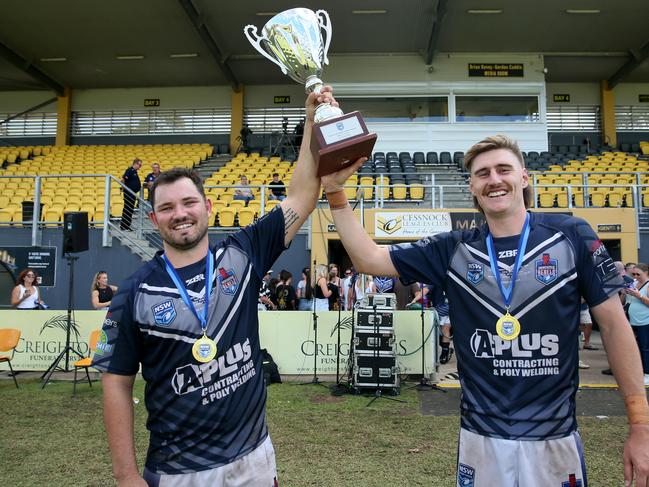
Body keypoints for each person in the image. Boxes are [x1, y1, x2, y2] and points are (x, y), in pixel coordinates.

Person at [321, 134, 649, 486]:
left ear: (523, 177)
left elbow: (614, 327)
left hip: (555, 437)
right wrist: (336, 193)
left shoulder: (571, 235)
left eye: (503, 169)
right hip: (481, 438)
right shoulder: (453, 249)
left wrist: (641, 425)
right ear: (472, 187)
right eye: (483, 173)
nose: (494, 179)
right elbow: (368, 258)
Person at [92, 87, 334, 486]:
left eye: (188, 203)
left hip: (254, 458)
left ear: (207, 207)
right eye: (167, 208)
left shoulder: (243, 252)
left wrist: (309, 121)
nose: (180, 214)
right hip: (178, 471)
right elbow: (115, 382)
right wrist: (125, 476)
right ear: (155, 220)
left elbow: (303, 196)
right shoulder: (134, 292)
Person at [625, 263, 649, 386]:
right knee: (637, 348)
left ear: (646, 273)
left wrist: (639, 296)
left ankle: (647, 374)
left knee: (645, 349)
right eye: (633, 274)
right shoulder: (635, 283)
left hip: (645, 322)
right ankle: (640, 372)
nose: (635, 276)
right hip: (634, 321)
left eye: (637, 274)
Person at [120, 158, 142, 230]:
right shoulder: (130, 170)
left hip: (132, 194)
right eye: (139, 165)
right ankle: (124, 226)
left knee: (130, 209)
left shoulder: (135, 172)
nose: (140, 166)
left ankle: (127, 225)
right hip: (129, 193)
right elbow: (123, 179)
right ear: (135, 164)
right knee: (127, 209)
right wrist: (125, 189)